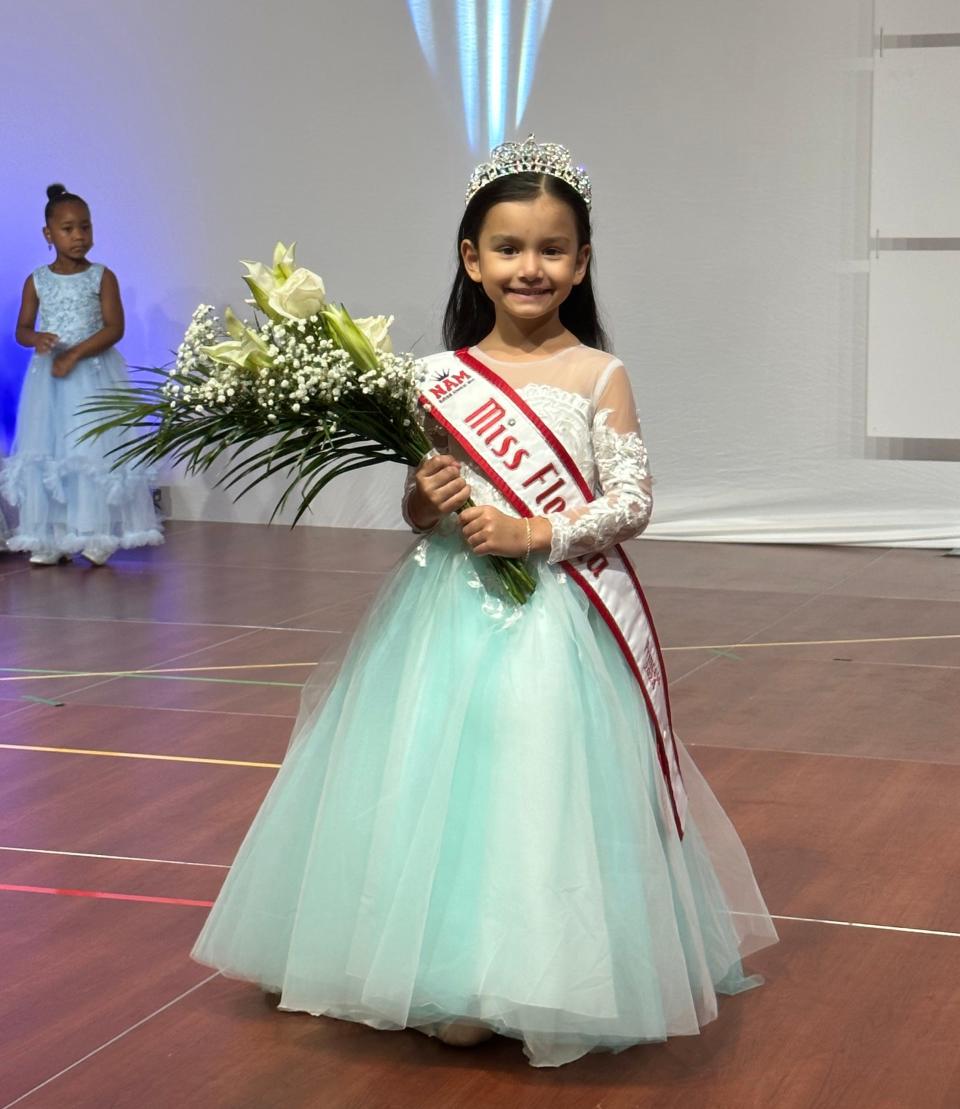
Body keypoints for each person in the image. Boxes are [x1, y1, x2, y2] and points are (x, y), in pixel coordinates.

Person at [192, 138, 777, 1068]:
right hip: (446, 614)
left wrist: (535, 535)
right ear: (472, 257)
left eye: (552, 249)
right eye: (508, 248)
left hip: (556, 621)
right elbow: (422, 515)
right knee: (439, 784)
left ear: (582, 263)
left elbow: (631, 503)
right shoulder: (435, 376)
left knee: (536, 793)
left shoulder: (598, 374)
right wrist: (429, 494)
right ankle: (438, 967)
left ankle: (527, 976)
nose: (529, 267)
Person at [2, 184, 163, 565]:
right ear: (48, 234)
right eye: (68, 229)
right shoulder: (37, 279)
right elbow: (21, 329)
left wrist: (74, 353)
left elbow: (114, 328)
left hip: (90, 371)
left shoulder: (101, 277)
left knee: (89, 449)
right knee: (52, 447)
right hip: (50, 378)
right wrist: (36, 338)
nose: (78, 237)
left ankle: (93, 530)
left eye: (85, 228)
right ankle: (53, 534)